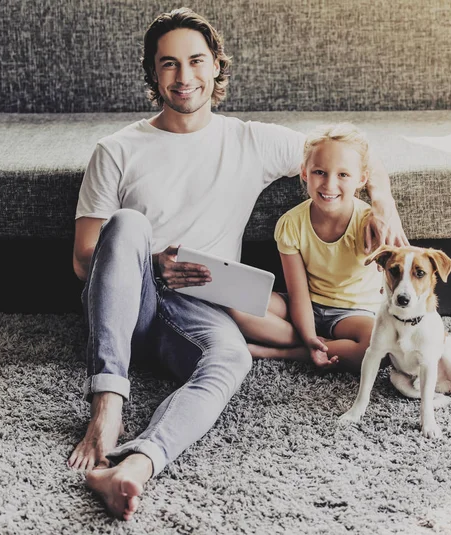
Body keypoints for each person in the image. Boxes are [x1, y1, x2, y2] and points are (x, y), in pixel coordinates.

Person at [67, 7, 408, 521]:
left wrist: (382, 203)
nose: (184, 77)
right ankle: (108, 405)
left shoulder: (248, 139)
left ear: (216, 68)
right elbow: (83, 258)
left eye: (196, 61)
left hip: (202, 302)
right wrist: (153, 262)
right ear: (152, 73)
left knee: (233, 360)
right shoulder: (117, 149)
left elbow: (352, 151)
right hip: (128, 300)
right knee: (129, 224)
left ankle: (135, 465)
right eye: (169, 64)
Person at [228, 124, 382, 373]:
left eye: (343, 175)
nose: (329, 185)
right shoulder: (291, 223)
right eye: (320, 172)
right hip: (306, 305)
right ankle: (320, 345)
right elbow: (298, 293)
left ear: (362, 179)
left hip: (353, 314)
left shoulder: (369, 222)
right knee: (238, 305)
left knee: (378, 345)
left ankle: (284, 352)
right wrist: (309, 334)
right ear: (304, 173)